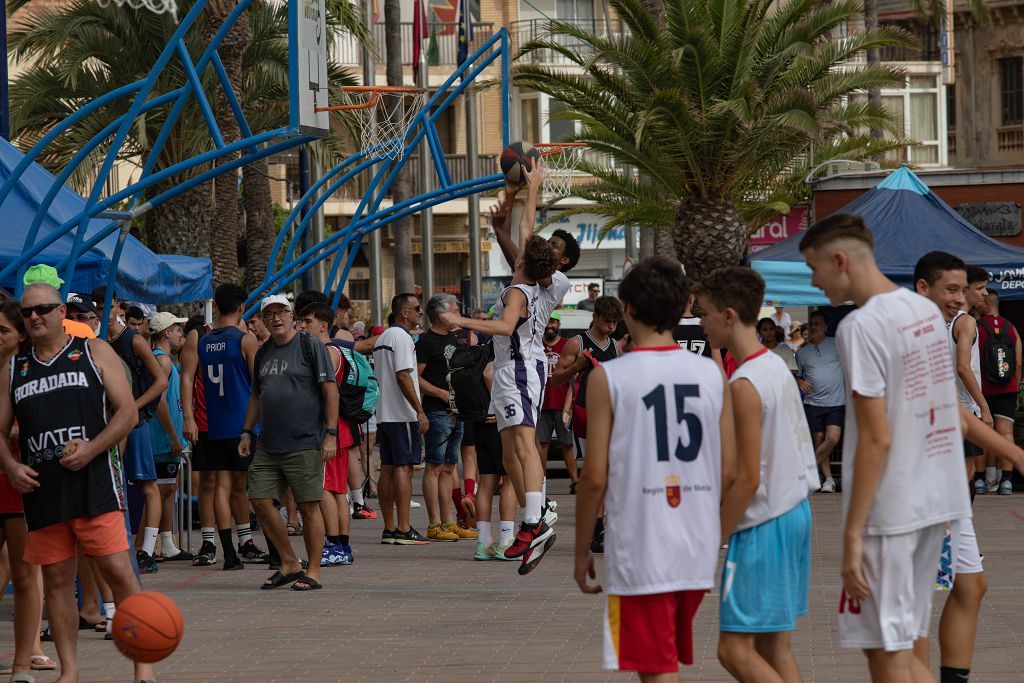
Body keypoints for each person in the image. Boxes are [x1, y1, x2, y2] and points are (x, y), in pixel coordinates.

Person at [800, 215, 971, 682]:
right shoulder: (922, 311)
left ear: (840, 260)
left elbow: (876, 436)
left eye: (815, 269)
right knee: (904, 649)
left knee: (886, 654)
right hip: (935, 499)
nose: (814, 282)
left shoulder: (862, 326)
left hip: (891, 510)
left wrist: (852, 534)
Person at [575, 257, 736, 683]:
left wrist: (580, 551)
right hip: (697, 542)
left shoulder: (609, 377)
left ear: (627, 308)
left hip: (642, 542)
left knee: (654, 666)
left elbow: (594, 476)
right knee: (661, 659)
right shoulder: (711, 375)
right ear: (685, 306)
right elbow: (731, 469)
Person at [0, 283, 156, 683]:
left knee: (118, 571)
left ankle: (143, 668)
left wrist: (92, 448)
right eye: (28, 312)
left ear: (60, 313)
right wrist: (12, 468)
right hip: (43, 490)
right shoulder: (14, 369)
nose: (34, 317)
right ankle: (69, 670)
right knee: (55, 580)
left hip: (95, 483)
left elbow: (127, 414)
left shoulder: (93, 352)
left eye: (43, 309)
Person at [696, 267, 817, 682]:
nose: (700, 322)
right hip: (793, 510)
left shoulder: (745, 382)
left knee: (733, 650)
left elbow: (745, 478)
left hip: (766, 521)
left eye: (705, 313)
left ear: (729, 316)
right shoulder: (773, 368)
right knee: (772, 648)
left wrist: (712, 540)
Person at [440, 163, 560, 574]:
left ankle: (535, 518)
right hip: (516, 368)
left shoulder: (516, 293)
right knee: (511, 452)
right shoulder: (532, 281)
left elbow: (507, 326)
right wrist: (532, 189)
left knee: (523, 447)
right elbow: (528, 228)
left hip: (519, 369)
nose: (519, 247)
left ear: (526, 261)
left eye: (523, 249)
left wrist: (462, 321)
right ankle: (534, 514)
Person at [912, 252, 988, 683]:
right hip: (925, 475)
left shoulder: (942, 324)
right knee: (922, 597)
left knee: (971, 586)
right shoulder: (919, 333)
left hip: (942, 470)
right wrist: (982, 409)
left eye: (967, 290)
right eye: (953, 290)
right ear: (924, 288)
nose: (963, 299)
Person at [239, 295, 338, 591]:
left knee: (309, 507)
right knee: (258, 500)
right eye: (269, 314)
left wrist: (330, 434)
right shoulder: (264, 353)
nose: (276, 318)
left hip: (306, 441)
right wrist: (246, 431)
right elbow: (257, 395)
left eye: (281, 312)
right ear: (264, 321)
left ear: (291, 315)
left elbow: (330, 392)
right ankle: (290, 562)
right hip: (269, 444)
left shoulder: (311, 347)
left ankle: (315, 571)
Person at [181, 283, 267, 570]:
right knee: (216, 483)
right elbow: (259, 383)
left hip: (220, 421)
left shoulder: (208, 339)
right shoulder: (235, 338)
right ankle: (212, 543)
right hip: (227, 422)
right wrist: (189, 417)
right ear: (242, 307)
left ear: (216, 304)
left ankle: (241, 543)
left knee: (230, 484)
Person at [95, 287, 168, 574]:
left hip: (133, 424)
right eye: (98, 305)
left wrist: (133, 407)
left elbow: (161, 381)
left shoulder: (133, 340)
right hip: (104, 425)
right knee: (114, 485)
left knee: (147, 485)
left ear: (117, 306)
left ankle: (147, 550)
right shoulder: (95, 341)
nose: (104, 310)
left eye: (108, 304)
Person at [0, 299, 54, 679]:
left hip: (17, 483)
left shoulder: (28, 373)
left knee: (24, 574)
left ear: (20, 335)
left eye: (2, 331)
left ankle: (22, 663)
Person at [298, 302, 355, 566]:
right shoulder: (334, 350)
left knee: (326, 489)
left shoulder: (326, 352)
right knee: (337, 490)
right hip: (338, 428)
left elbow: (321, 390)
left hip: (328, 428)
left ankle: (334, 544)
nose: (302, 325)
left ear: (322, 325)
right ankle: (341, 545)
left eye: (307, 321)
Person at [416, 294, 476, 542]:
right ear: (442, 314)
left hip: (456, 412)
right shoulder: (425, 342)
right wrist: (439, 393)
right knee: (433, 466)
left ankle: (449, 521)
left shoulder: (456, 338)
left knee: (450, 467)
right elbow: (415, 377)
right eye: (454, 309)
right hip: (437, 411)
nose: (458, 313)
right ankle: (433, 523)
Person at [374, 293, 430, 545]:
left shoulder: (384, 337)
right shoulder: (402, 338)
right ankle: (404, 528)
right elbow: (404, 376)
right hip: (402, 414)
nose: (420, 312)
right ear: (404, 313)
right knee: (404, 469)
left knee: (387, 468)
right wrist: (419, 410)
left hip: (385, 413)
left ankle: (389, 527)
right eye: (417, 308)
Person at [147, 312, 193, 562]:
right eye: (177, 330)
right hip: (162, 439)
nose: (180, 335)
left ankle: (165, 543)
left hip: (165, 438)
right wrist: (174, 437)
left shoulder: (162, 360)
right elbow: (160, 402)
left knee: (167, 490)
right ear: (166, 332)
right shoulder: (162, 361)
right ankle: (147, 547)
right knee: (157, 492)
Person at [795, 310, 846, 493]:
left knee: (832, 438)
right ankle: (829, 480)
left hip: (836, 401)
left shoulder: (838, 344)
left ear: (826, 327)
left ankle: (804, 470)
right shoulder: (802, 352)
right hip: (812, 403)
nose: (814, 327)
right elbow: (799, 376)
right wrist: (800, 381)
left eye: (817, 324)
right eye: (812, 324)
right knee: (818, 439)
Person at [976, 290, 1020, 495]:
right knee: (1006, 433)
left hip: (983, 389)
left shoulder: (976, 327)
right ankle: (1007, 482)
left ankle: (980, 481)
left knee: (981, 435)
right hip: (1008, 388)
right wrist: (1016, 385)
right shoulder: (1011, 328)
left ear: (985, 303)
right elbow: (1018, 361)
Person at [537, 313, 576, 492]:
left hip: (562, 405)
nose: (549, 325)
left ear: (558, 324)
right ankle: (539, 482)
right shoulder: (537, 344)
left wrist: (569, 406)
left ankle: (575, 482)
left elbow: (574, 378)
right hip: (541, 405)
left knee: (567, 445)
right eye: (546, 321)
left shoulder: (566, 345)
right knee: (542, 444)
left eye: (552, 321)